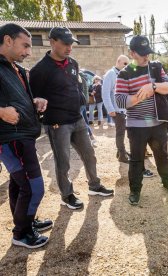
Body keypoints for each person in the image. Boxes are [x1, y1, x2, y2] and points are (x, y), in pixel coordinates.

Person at [29, 26, 114, 210]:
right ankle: (67, 195)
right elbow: (33, 98)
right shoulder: (40, 69)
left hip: (78, 119)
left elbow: (76, 87)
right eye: (65, 44)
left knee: (89, 154)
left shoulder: (73, 63)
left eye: (71, 44)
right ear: (52, 42)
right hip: (58, 123)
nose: (69, 48)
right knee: (63, 162)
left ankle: (94, 185)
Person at [0, 23, 52, 248]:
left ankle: (25, 224)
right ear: (8, 40)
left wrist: (34, 102)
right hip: (10, 137)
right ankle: (22, 233)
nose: (29, 52)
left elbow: (14, 98)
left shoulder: (15, 68)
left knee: (18, 184)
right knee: (33, 186)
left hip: (23, 134)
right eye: (25, 46)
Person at [115, 35, 168, 205]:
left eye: (148, 52)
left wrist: (152, 86)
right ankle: (135, 191)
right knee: (137, 160)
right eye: (142, 53)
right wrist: (141, 96)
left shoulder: (156, 67)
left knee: (162, 156)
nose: (146, 56)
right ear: (132, 53)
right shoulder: (125, 73)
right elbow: (120, 100)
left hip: (158, 123)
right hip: (136, 126)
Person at [102, 55, 131, 162]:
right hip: (117, 110)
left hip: (124, 109)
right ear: (118, 61)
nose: (126, 66)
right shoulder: (111, 74)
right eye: (125, 63)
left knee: (123, 132)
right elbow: (105, 93)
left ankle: (120, 152)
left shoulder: (122, 74)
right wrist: (110, 109)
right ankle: (122, 155)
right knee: (121, 133)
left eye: (127, 64)